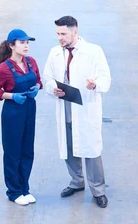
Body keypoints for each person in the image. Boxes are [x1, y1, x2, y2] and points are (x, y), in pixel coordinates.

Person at [43, 16, 111, 208]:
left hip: (86, 106)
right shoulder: (55, 53)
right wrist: (52, 88)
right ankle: (77, 182)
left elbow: (105, 77)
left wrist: (95, 84)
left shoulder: (94, 51)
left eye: (63, 34)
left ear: (75, 31)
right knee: (70, 148)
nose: (60, 38)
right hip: (65, 104)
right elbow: (47, 77)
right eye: (57, 34)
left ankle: (98, 190)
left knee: (91, 150)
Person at [0, 29, 42, 206]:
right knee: (13, 152)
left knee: (27, 150)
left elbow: (38, 81)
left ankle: (24, 188)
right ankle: (14, 191)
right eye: (22, 43)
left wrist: (36, 87)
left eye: (27, 43)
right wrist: (12, 96)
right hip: (13, 111)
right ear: (11, 45)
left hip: (29, 108)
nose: (26, 46)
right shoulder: (4, 68)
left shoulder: (31, 62)